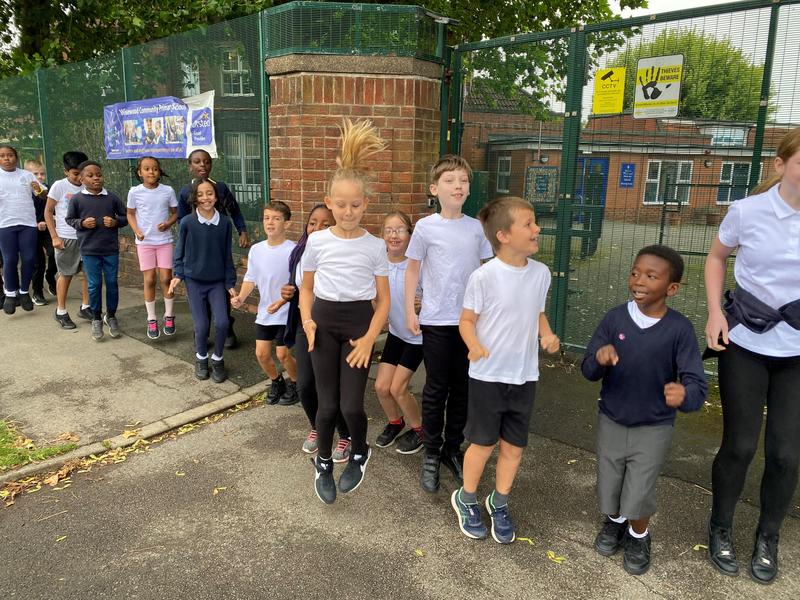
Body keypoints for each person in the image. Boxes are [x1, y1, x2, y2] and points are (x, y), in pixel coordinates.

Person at [704, 128, 800, 585]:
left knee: (785, 453)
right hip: (746, 343)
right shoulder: (747, 211)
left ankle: (768, 536)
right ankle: (720, 527)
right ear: (781, 165)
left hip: (797, 351)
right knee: (740, 446)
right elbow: (716, 257)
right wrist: (713, 313)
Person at [582, 244, 707, 576]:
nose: (639, 280)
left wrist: (685, 394)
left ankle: (639, 536)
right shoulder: (614, 319)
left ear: (672, 288)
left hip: (654, 425)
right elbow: (588, 369)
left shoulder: (679, 329)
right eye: (635, 272)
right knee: (609, 484)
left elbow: (697, 383)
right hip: (612, 417)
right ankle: (615, 522)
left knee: (638, 490)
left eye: (651, 276)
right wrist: (599, 359)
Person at [451, 197, 559, 545]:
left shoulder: (541, 274)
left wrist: (546, 334)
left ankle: (499, 502)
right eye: (528, 223)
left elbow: (537, 312)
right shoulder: (484, 277)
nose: (537, 228)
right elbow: (467, 320)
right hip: (487, 376)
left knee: (514, 447)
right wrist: (473, 344)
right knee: (482, 444)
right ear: (504, 235)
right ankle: (466, 497)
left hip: (524, 376)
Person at [299, 119, 390, 504]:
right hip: (322, 324)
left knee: (352, 406)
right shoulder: (318, 241)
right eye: (341, 205)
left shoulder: (375, 246)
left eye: (355, 205)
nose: (348, 211)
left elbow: (383, 301)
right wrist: (307, 321)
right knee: (327, 405)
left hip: (357, 327)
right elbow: (306, 288)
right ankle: (323, 463)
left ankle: (359, 453)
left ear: (365, 203)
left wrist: (370, 339)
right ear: (329, 202)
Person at [404, 155, 494, 493]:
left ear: (469, 188)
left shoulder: (476, 228)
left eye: (463, 181)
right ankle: (431, 451)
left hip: (469, 323)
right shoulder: (425, 227)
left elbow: (487, 270)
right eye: (450, 180)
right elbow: (413, 269)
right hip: (437, 321)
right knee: (436, 388)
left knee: (463, 389)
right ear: (434, 189)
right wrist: (410, 310)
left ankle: (452, 449)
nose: (458, 186)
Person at [281, 204, 352, 462]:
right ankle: (317, 426)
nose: (317, 228)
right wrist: (288, 293)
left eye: (325, 224)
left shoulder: (341, 253)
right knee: (305, 384)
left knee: (332, 386)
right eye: (313, 223)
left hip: (332, 327)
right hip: (306, 323)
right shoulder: (299, 252)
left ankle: (345, 434)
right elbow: (301, 288)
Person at [178, 149, 249, 349]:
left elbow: (234, 210)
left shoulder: (221, 188)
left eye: (206, 161)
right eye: (197, 162)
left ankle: (226, 328)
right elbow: (181, 220)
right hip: (197, 251)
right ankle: (201, 330)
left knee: (222, 288)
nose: (202, 165)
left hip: (218, 248)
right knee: (199, 294)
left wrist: (242, 230)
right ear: (190, 166)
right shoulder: (185, 191)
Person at [169, 179, 236, 384]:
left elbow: (227, 255)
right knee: (201, 325)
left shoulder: (225, 223)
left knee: (223, 322)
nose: (205, 198)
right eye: (200, 194)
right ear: (194, 198)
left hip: (217, 282)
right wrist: (178, 274)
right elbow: (179, 250)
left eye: (209, 193)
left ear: (216, 196)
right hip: (194, 281)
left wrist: (230, 283)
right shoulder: (187, 222)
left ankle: (218, 359)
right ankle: (201, 359)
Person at [231, 201, 298, 404]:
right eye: (267, 218)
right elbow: (251, 278)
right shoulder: (256, 250)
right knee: (261, 354)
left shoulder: (293, 250)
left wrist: (283, 301)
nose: (270, 222)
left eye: (276, 219)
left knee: (283, 354)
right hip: (266, 311)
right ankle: (277, 381)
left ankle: (297, 383)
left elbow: (299, 283)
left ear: (287, 224)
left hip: (286, 311)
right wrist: (241, 297)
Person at [373, 211, 424, 455]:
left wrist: (423, 304)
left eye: (400, 230)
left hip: (418, 337)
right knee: (382, 387)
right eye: (389, 230)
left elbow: (435, 296)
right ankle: (395, 422)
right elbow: (375, 300)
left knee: (398, 388)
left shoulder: (417, 265)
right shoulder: (378, 264)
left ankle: (420, 430)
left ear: (410, 234)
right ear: (382, 234)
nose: (394, 235)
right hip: (396, 333)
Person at [65, 161, 128, 341]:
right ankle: (96, 318)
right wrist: (82, 223)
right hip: (89, 250)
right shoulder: (77, 199)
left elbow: (126, 217)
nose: (96, 178)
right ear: (81, 179)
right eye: (90, 175)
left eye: (99, 175)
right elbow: (69, 219)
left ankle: (111, 316)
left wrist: (116, 222)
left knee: (112, 283)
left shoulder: (111, 198)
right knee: (94, 285)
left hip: (110, 249)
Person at [126, 156, 179, 339]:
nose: (151, 172)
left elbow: (175, 213)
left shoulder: (167, 191)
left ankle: (169, 315)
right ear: (139, 172)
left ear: (159, 171)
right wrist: (136, 230)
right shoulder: (134, 192)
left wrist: (168, 223)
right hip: (145, 243)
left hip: (164, 241)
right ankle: (151, 318)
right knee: (149, 280)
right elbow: (130, 214)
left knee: (166, 279)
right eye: (147, 169)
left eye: (155, 169)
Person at [45, 151, 92, 329]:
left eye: (82, 173)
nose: (80, 178)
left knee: (88, 274)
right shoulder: (59, 186)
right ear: (66, 172)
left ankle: (86, 307)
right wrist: (54, 237)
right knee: (66, 275)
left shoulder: (88, 185)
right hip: (66, 238)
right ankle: (61, 311)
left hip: (86, 238)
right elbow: (48, 212)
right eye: (75, 174)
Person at [0, 144, 47, 314]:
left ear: (16, 157)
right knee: (10, 259)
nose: (7, 158)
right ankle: (10, 294)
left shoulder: (27, 175)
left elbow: (43, 195)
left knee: (29, 258)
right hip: (5, 224)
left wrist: (38, 189)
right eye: (2, 156)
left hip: (28, 224)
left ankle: (25, 291)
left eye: (10, 155)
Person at [24, 159, 57, 306]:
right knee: (38, 263)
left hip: (49, 229)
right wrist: (36, 224)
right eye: (35, 174)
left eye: (42, 173)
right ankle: (37, 292)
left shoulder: (49, 189)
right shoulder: (24, 192)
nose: (39, 177)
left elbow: (54, 208)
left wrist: (53, 218)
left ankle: (50, 276)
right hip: (31, 231)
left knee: (55, 253)